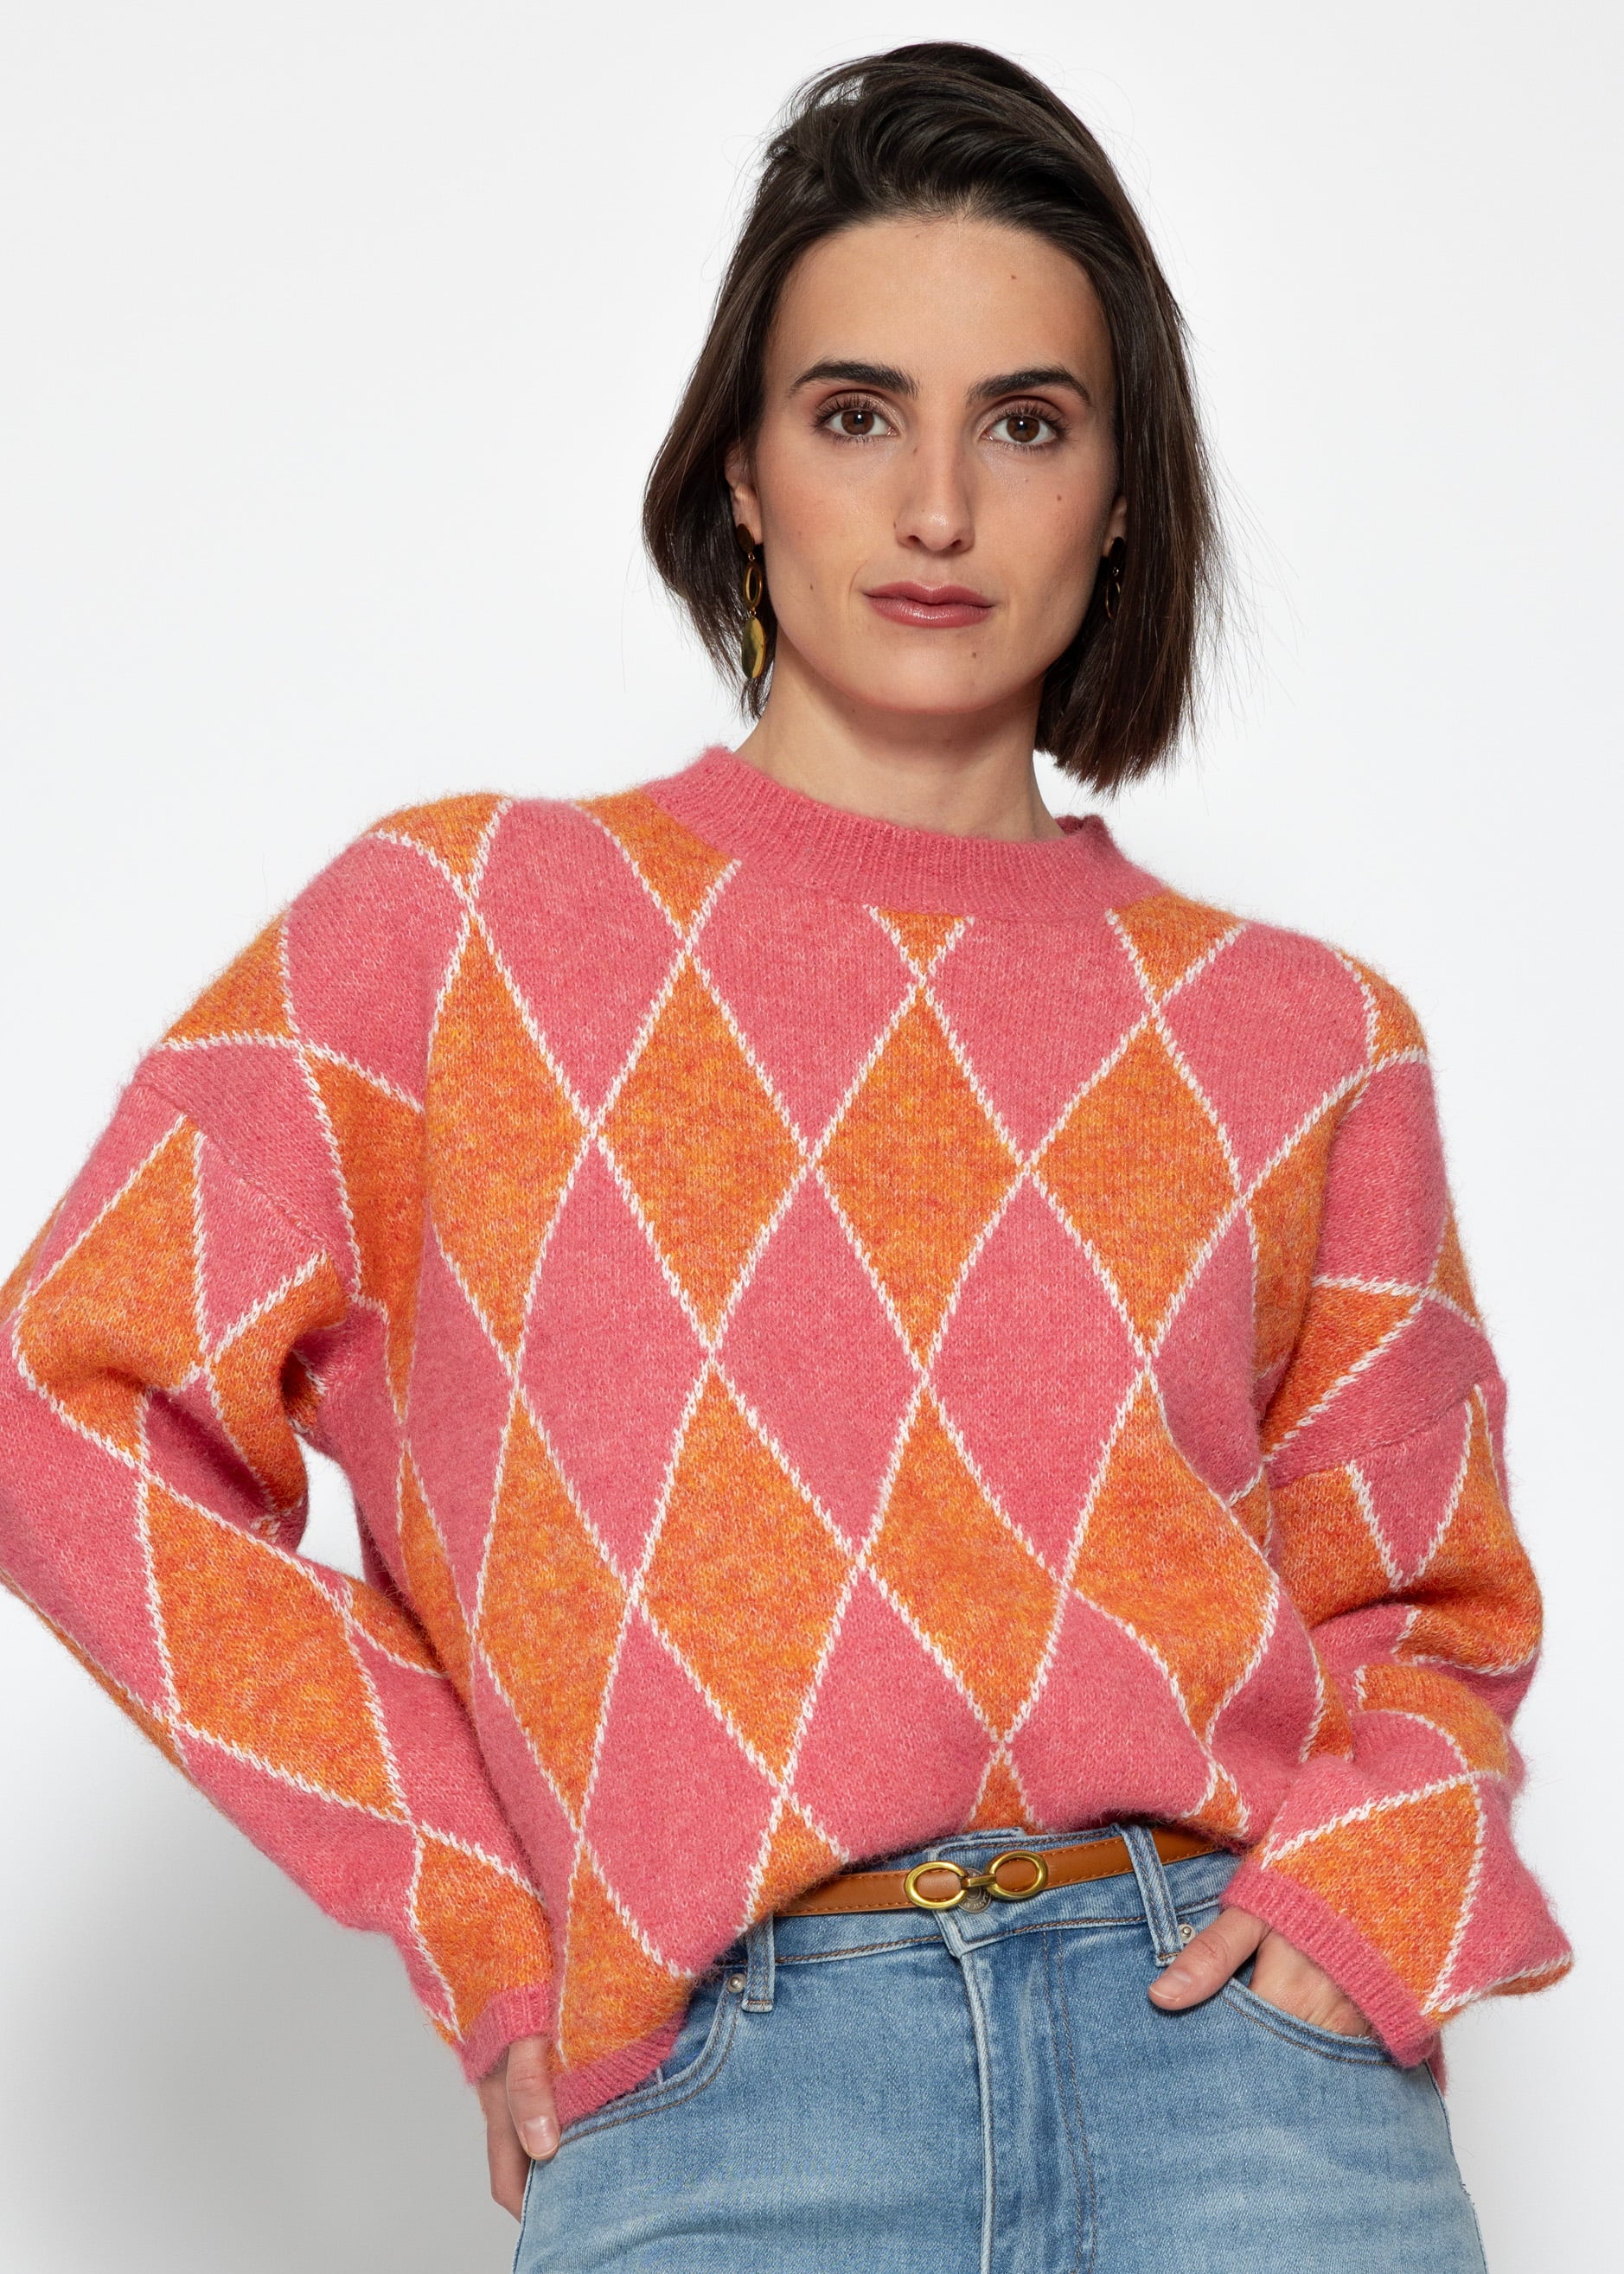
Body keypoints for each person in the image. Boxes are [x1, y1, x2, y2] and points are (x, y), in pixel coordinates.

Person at [0, 42, 1571, 2272]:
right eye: (854, 415)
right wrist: (474, 1908)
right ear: (740, 470)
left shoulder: (1307, 1036)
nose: (935, 506)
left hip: (1250, 2097)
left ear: (1124, 494)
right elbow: (64, 1398)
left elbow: (1428, 1610)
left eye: (1025, 424)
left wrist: (1369, 1900)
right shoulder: (456, 937)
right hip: (736, 2110)